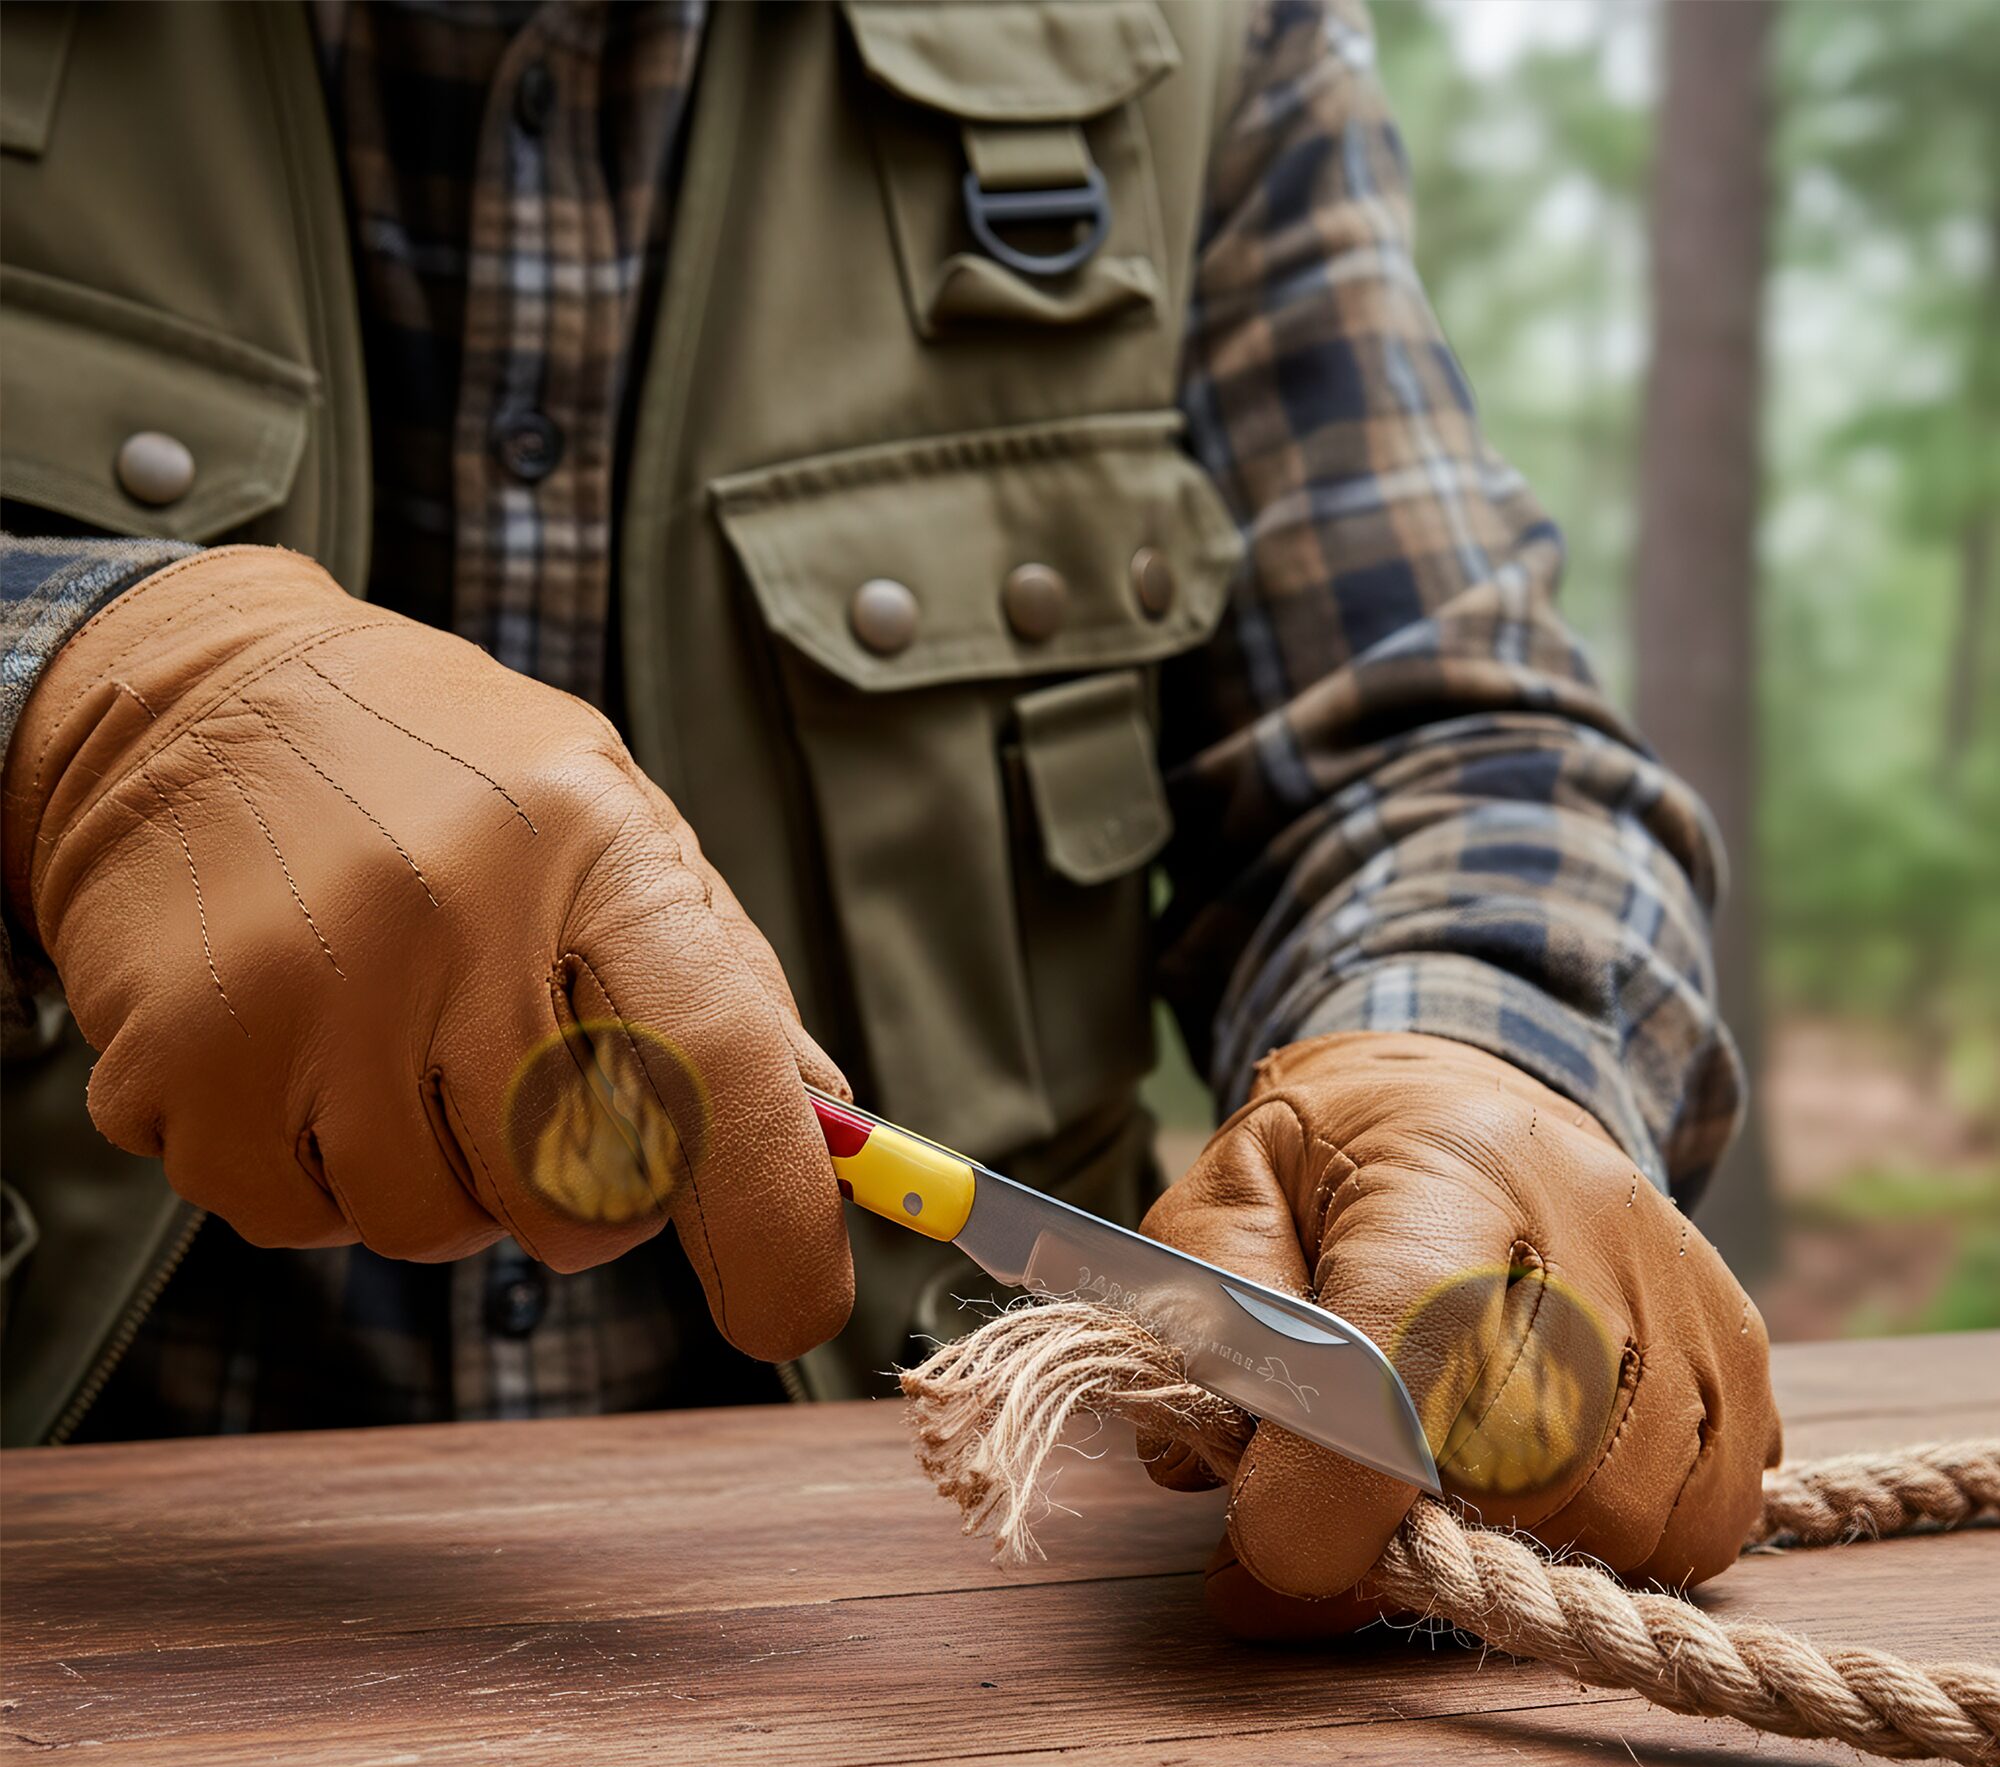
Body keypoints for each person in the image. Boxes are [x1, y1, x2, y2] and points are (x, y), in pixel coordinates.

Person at [0, 0, 1777, 1632]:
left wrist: (1467, 1059)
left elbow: (1444, 745)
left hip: (995, 1651)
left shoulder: (1197, 41)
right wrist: (65, 688)